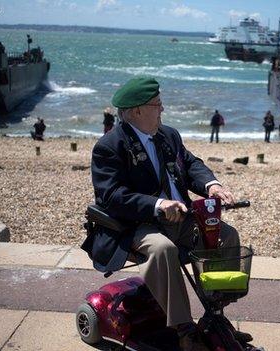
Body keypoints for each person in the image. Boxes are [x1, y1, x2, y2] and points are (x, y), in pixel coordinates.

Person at [86, 77, 242, 351]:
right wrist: (158, 205)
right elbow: (111, 196)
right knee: (163, 249)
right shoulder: (109, 146)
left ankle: (213, 315)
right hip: (137, 224)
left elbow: (191, 164)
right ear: (136, 111)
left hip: (179, 217)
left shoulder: (168, 135)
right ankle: (184, 330)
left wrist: (212, 185)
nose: (162, 109)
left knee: (226, 236)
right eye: (157, 104)